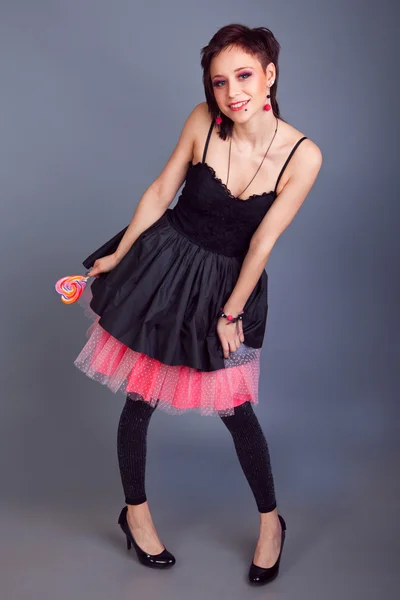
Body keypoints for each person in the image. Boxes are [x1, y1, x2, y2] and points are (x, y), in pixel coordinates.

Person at [74, 23, 322, 585]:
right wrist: (119, 254)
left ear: (269, 76)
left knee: (235, 409)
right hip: (164, 268)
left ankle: (270, 524)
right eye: (219, 82)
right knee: (140, 398)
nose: (231, 92)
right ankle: (135, 514)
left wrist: (231, 311)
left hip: (228, 286)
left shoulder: (303, 156)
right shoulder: (201, 121)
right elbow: (162, 191)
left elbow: (263, 241)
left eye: (243, 76)